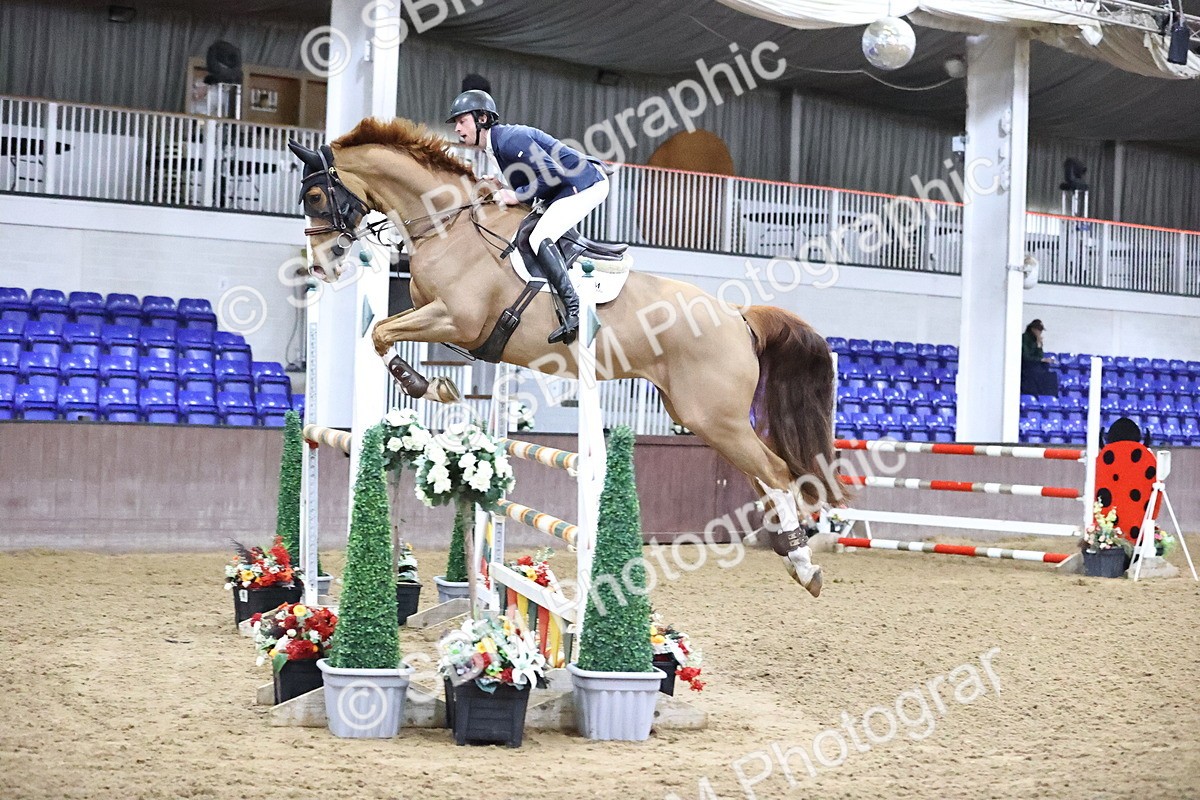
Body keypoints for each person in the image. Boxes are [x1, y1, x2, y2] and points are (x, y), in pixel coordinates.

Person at [446, 89, 609, 346]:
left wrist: (516, 196)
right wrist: (503, 186)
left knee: (540, 236)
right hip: (564, 186)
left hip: (586, 182)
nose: (456, 128)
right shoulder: (496, 147)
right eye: (456, 123)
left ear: (482, 119)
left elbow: (551, 172)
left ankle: (575, 309)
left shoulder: (510, 140)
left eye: (461, 120)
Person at [1020, 319, 1059, 396]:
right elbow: (1026, 356)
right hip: (1026, 367)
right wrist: (1040, 358)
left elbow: (1040, 355)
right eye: (1039, 330)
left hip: (1036, 366)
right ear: (1033, 329)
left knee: (1050, 376)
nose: (1040, 332)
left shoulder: (1037, 340)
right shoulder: (1024, 338)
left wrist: (1039, 345)